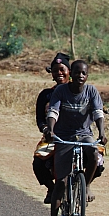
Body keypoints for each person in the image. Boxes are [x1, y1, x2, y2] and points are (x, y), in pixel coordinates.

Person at [45, 59, 107, 216]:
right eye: (77, 72)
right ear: (71, 74)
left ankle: (86, 185)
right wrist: (51, 130)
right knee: (61, 183)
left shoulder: (91, 91)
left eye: (84, 73)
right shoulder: (61, 91)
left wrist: (102, 133)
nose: (80, 76)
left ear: (87, 76)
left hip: (84, 135)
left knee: (95, 155)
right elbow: (53, 112)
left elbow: (98, 113)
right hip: (64, 136)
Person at [33, 53, 70, 204]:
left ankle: (84, 186)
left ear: (69, 71)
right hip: (53, 137)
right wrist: (45, 129)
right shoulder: (46, 95)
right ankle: (52, 189)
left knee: (97, 160)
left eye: (62, 69)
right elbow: (40, 119)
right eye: (55, 71)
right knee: (38, 162)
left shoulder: (78, 92)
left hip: (75, 136)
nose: (59, 73)